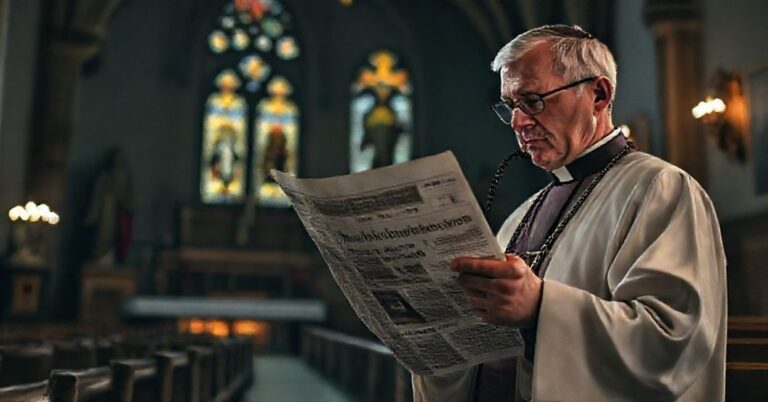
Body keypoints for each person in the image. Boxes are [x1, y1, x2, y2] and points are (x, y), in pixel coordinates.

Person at [412, 25, 726, 402]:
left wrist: (541, 308)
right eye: (510, 107)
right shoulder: (521, 215)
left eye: (532, 100)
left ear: (598, 94)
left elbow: (671, 344)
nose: (518, 122)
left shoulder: (660, 188)